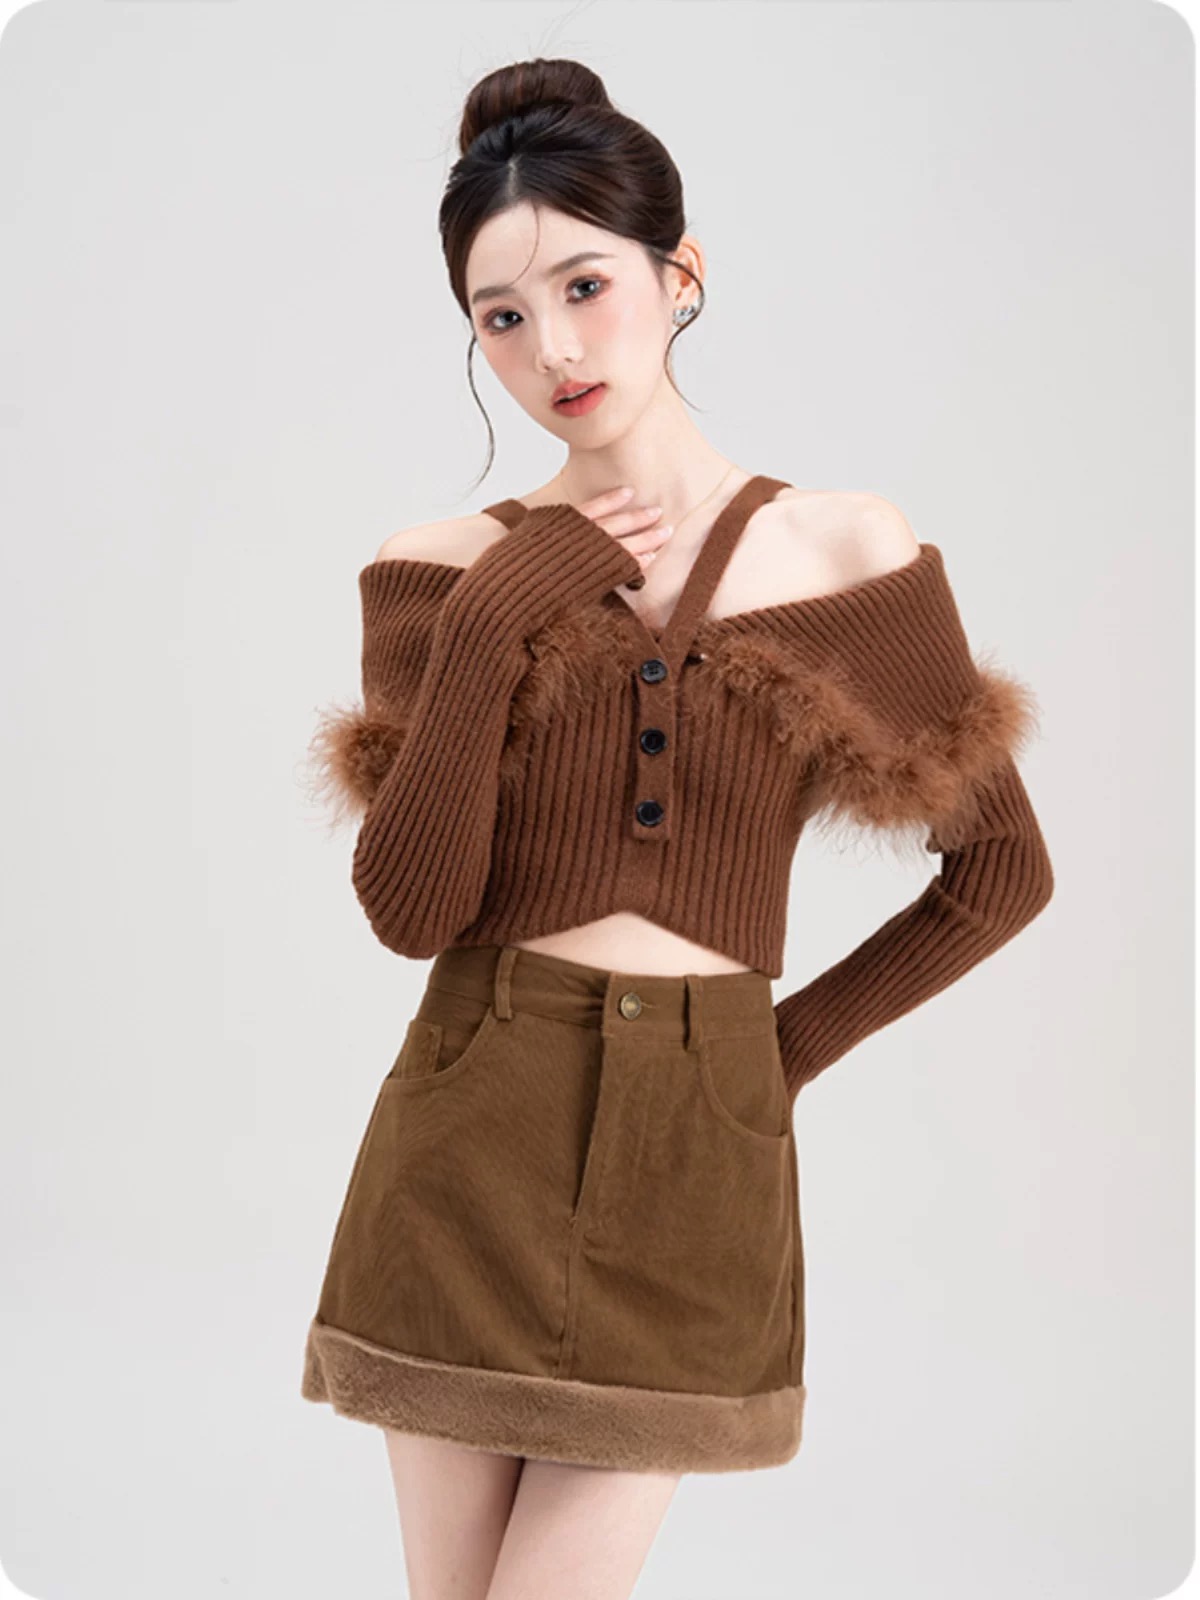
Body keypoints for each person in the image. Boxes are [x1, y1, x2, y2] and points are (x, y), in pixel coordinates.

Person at [299, 54, 1055, 1600]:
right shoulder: (437, 567)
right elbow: (411, 910)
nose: (554, 349)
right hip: (469, 1127)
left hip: (698, 1151)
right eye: (502, 318)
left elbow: (1000, 873)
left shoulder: (845, 549)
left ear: (680, 273)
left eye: (585, 286)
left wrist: (772, 1060)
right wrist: (497, 623)